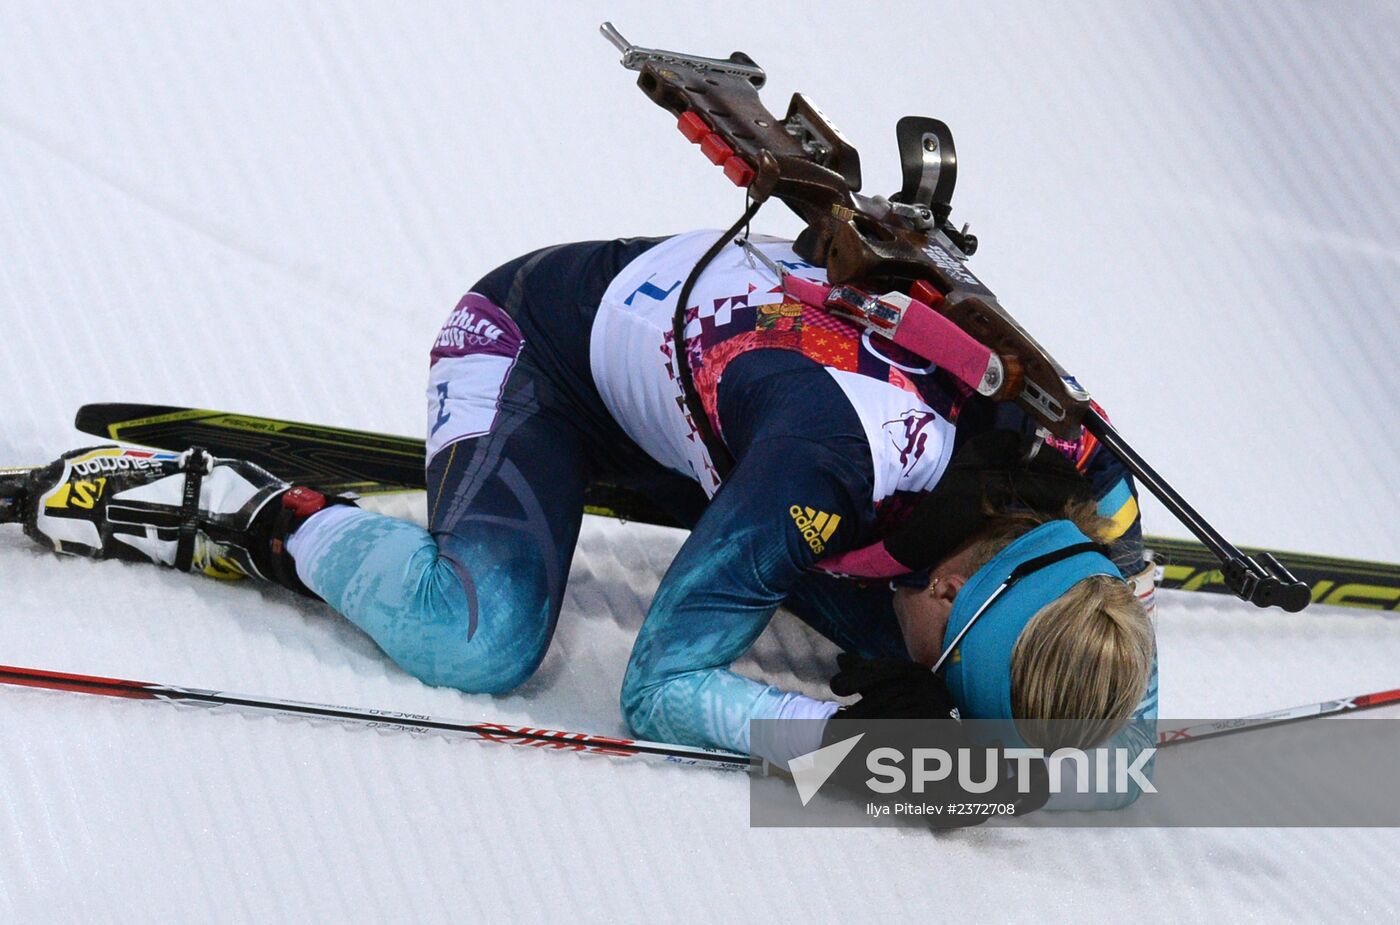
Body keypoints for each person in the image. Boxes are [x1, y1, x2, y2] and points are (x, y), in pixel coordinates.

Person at [16, 230, 1158, 809]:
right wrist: (872, 761)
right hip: (538, 349)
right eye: (958, 674)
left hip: (722, 422)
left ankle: (712, 482)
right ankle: (256, 515)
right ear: (957, 590)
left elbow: (1121, 587)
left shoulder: (1072, 483)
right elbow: (660, 688)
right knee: (479, 636)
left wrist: (1074, 707)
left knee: (874, 641)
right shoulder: (825, 471)